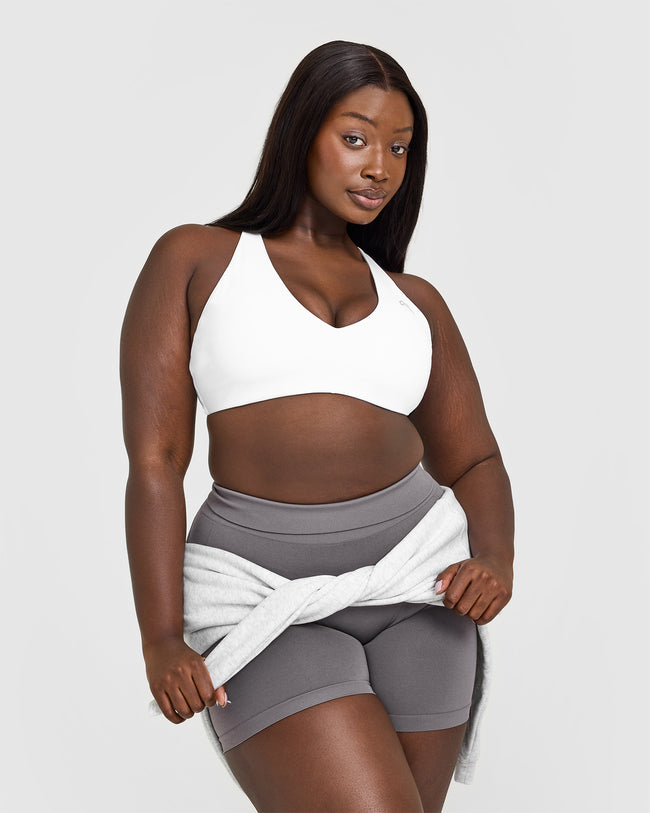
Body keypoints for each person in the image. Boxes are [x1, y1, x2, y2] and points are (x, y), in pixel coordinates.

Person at [120, 39, 515, 813]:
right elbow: (156, 459)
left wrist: (495, 557)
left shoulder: (415, 301)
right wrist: (161, 635)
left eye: (399, 147)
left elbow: (475, 458)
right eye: (357, 137)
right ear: (302, 132)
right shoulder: (198, 260)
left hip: (418, 588)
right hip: (259, 593)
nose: (381, 168)